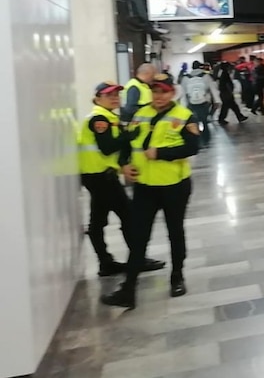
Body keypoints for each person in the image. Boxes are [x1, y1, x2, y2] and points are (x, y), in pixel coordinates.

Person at [102, 74, 200, 309]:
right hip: (145, 187)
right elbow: (127, 143)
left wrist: (161, 154)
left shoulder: (185, 116)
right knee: (138, 236)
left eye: (164, 91)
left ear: (172, 92)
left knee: (175, 231)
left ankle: (177, 277)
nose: (159, 96)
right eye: (155, 91)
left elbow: (192, 147)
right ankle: (128, 289)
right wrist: (124, 164)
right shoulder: (140, 114)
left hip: (174, 186)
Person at [77, 81, 165, 277]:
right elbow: (107, 148)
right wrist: (129, 136)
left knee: (98, 221)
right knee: (129, 216)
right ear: (97, 99)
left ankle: (106, 263)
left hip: (97, 176)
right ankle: (137, 260)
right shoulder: (100, 119)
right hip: (101, 177)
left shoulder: (107, 116)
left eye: (116, 94)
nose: (114, 98)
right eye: (109, 95)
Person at [180, 60, 219, 148]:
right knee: (204, 122)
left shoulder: (186, 78)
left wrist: (183, 106)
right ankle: (206, 140)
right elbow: (213, 89)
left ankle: (198, 140)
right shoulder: (206, 76)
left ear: (192, 67)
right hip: (204, 103)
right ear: (200, 67)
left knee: (194, 122)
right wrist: (217, 101)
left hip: (191, 104)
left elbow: (183, 93)